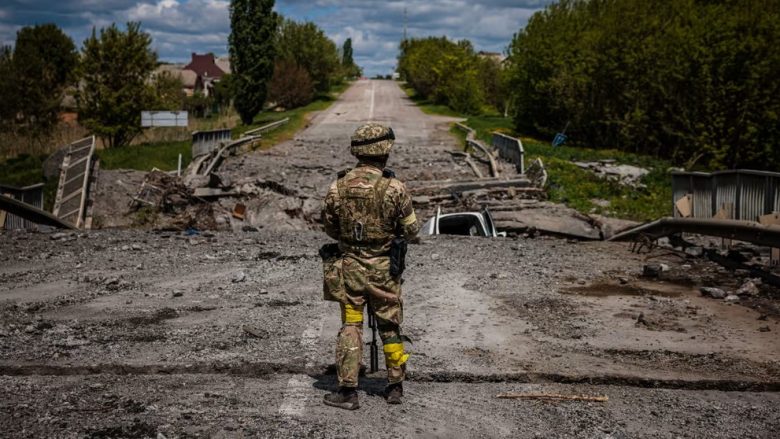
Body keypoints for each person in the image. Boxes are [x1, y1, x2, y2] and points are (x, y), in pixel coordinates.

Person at [320, 122, 420, 410]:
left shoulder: (337, 186)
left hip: (350, 268)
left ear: (357, 152)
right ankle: (394, 387)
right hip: (385, 271)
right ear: (385, 152)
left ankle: (348, 391)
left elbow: (330, 228)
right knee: (389, 325)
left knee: (351, 323)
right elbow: (412, 231)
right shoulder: (395, 188)